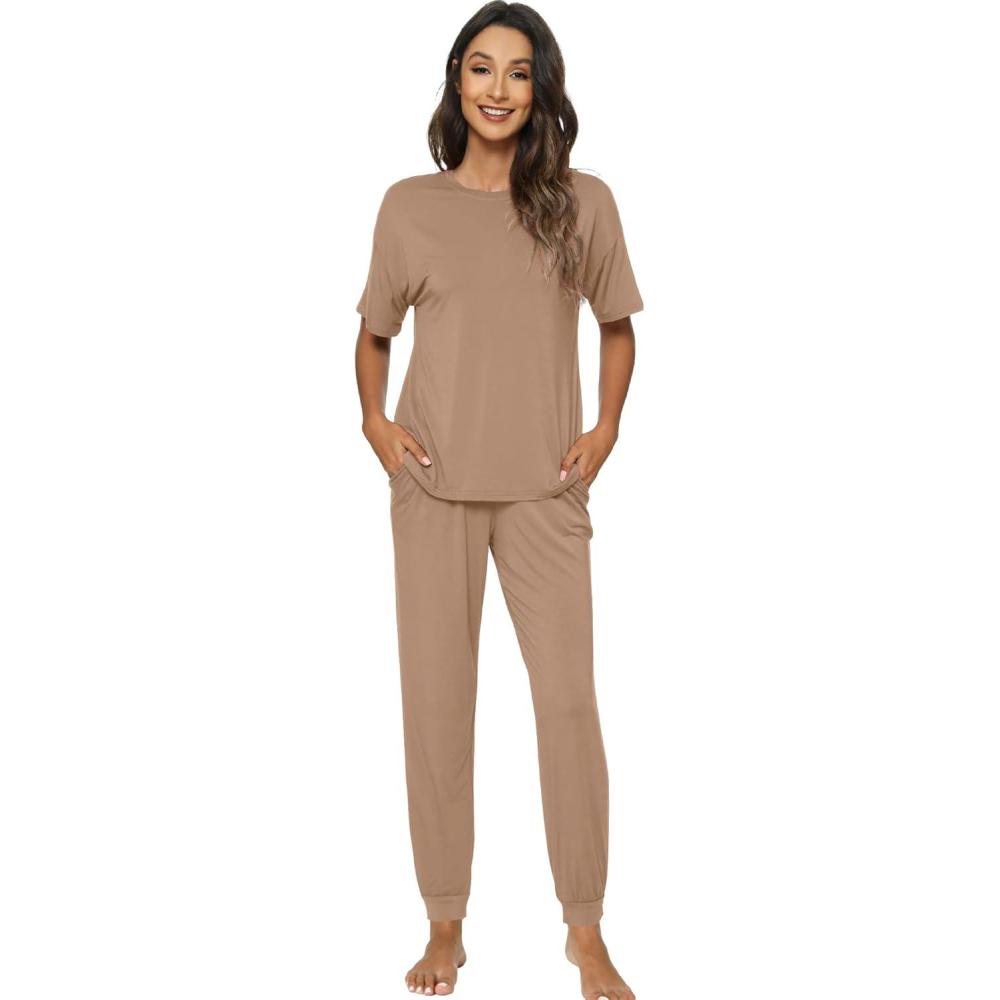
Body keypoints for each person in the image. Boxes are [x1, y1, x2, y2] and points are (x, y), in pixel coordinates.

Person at [354, 5, 642, 997]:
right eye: (481, 68)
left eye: (519, 73)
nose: (498, 89)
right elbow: (374, 332)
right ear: (456, 80)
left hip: (544, 493)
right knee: (438, 709)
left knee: (568, 706)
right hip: (432, 487)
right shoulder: (408, 206)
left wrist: (606, 428)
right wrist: (374, 422)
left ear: (541, 90)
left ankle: (585, 930)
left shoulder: (581, 203)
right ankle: (445, 923)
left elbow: (617, 324)